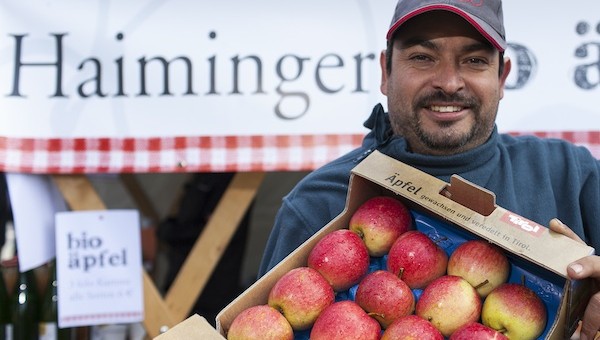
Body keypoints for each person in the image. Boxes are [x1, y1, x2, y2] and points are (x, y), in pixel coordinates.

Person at [257, 0, 600, 339]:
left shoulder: (573, 176)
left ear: (502, 77)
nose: (449, 82)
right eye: (423, 57)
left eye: (474, 60)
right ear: (385, 72)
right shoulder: (318, 204)